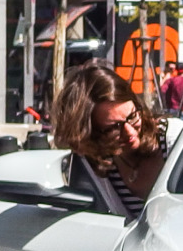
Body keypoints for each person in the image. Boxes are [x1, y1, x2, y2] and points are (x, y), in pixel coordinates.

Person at [52, 64, 168, 219]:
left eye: (132, 116)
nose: (129, 132)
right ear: (90, 134)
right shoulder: (100, 164)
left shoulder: (174, 142)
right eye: (114, 128)